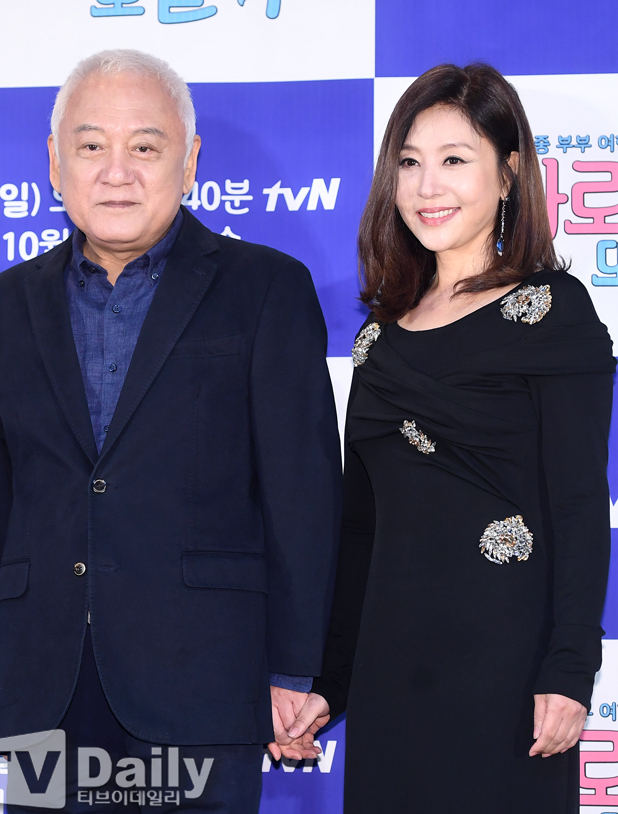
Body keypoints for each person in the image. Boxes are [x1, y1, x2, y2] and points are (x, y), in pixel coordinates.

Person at [0, 49, 341, 813]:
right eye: (91, 145)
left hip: (205, 681)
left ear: (189, 161)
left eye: (144, 146)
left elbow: (303, 498)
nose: (117, 172)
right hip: (42, 689)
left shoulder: (266, 289)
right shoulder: (0, 306)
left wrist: (296, 669)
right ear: (55, 162)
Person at [285, 63, 616, 813]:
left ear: (508, 173)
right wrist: (332, 683)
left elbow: (577, 505)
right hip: (392, 666)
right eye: (409, 163)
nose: (427, 186)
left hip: (508, 667)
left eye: (454, 160)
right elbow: (361, 531)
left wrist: (569, 670)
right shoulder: (379, 338)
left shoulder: (553, 312)